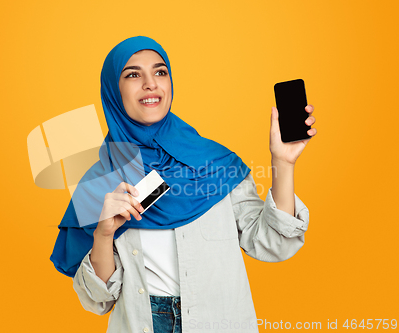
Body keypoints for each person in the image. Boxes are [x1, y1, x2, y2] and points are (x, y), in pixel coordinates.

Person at [51, 36, 317, 333]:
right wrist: (103, 233)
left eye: (160, 72)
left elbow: (275, 242)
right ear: (114, 90)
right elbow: (97, 300)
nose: (151, 83)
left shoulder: (216, 163)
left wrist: (283, 163)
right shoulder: (101, 182)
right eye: (133, 75)